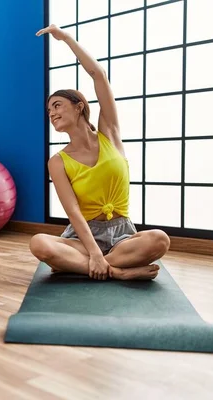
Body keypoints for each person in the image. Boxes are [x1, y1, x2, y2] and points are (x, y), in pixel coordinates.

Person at [30, 25, 170, 281]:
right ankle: (115, 272)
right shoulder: (57, 162)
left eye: (57, 105)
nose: (51, 113)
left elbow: (99, 75)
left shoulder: (110, 134)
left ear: (79, 107)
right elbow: (73, 212)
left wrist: (67, 39)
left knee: (159, 240)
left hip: (122, 236)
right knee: (39, 243)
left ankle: (80, 266)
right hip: (82, 239)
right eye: (49, 110)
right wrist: (94, 252)